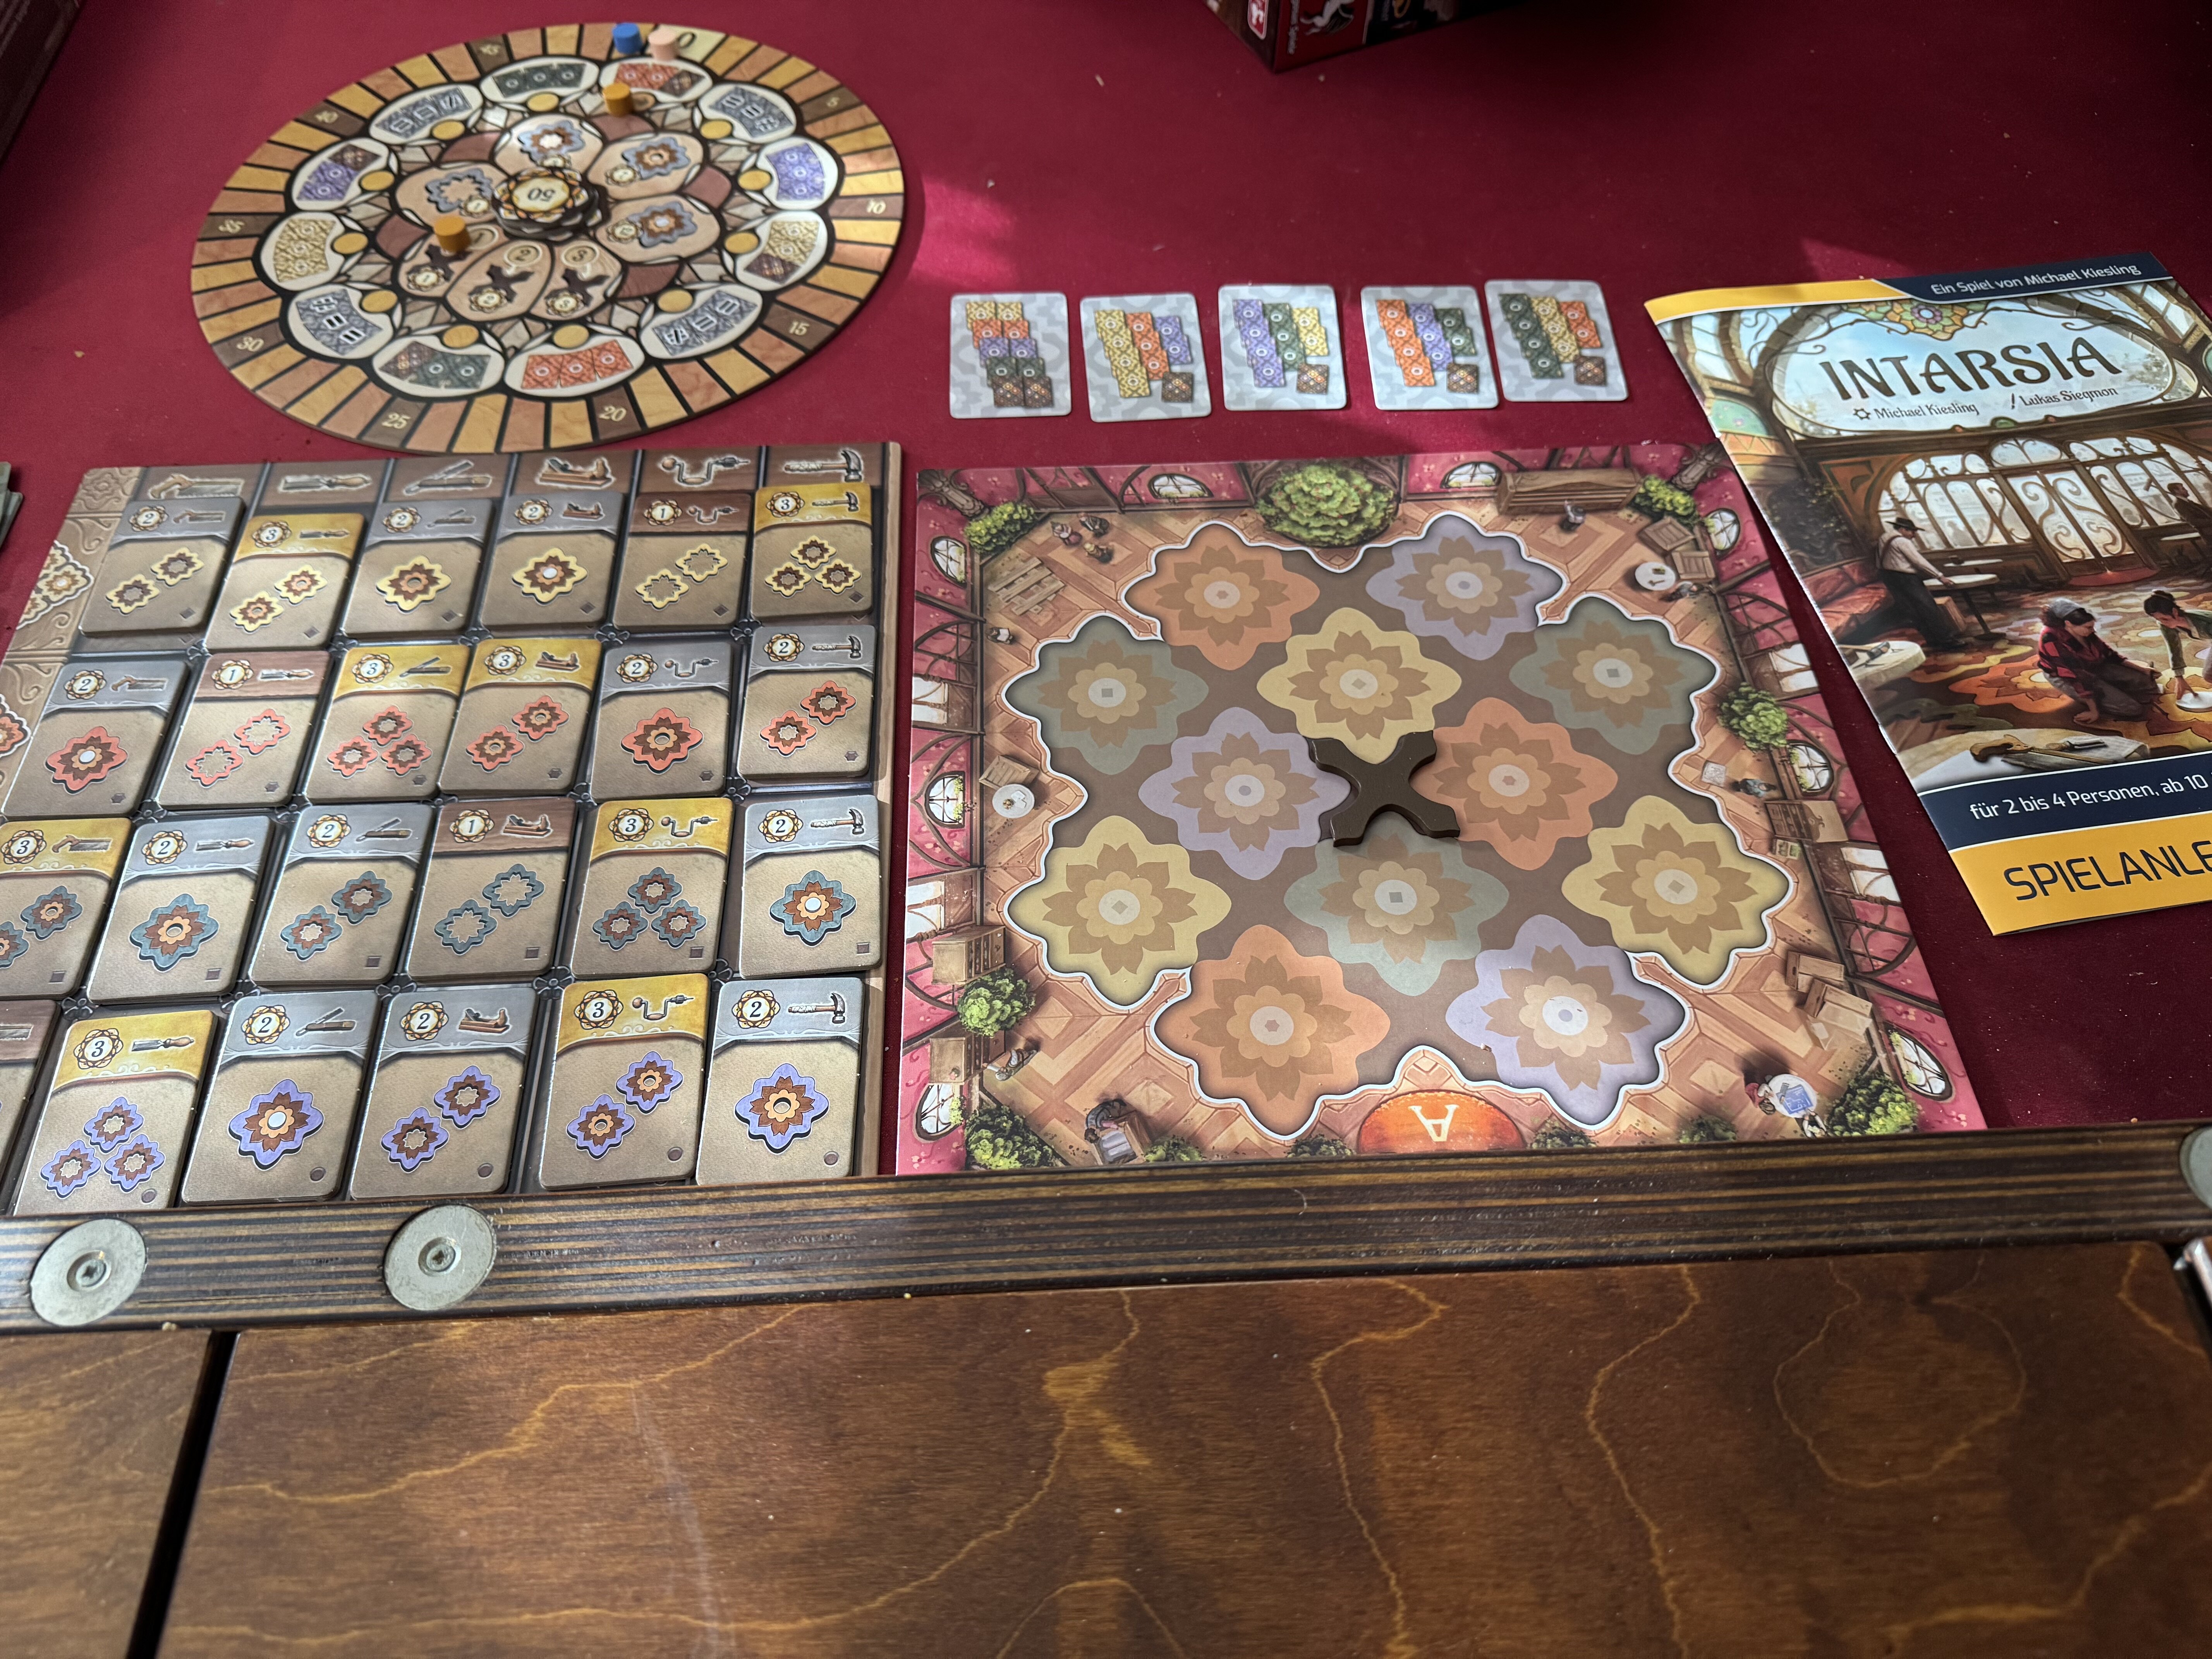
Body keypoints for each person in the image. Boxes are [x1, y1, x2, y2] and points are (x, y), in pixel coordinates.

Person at [2036, 599, 2162, 726]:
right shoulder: (2050, 639)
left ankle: (2110, 689)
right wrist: (2094, 711)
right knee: (2132, 709)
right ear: (2068, 624)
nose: (2094, 631)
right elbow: (2077, 677)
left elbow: (2109, 654)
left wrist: (2143, 670)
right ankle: (2102, 696)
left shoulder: (2084, 631)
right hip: (2067, 677)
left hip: (2093, 666)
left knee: (2147, 682)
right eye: (2089, 628)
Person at [1875, 517, 1967, 650]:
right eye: (1912, 532)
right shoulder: (1902, 541)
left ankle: (1932, 640)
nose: (1914, 535)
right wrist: (1940, 577)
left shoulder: (1884, 538)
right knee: (1929, 608)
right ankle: (1947, 640)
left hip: (1890, 578)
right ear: (1902, 530)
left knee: (1913, 611)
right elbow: (1919, 562)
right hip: (1907, 578)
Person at [2143, 589, 2212, 693]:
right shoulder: (2165, 625)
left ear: (2175, 612)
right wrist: (2179, 678)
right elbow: (2174, 649)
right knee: (2209, 675)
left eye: (2165, 619)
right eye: (2158, 619)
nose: (2163, 623)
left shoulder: (2206, 624)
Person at [2168, 483, 2212, 563]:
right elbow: (2194, 522)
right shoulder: (2179, 505)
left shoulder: (2188, 502)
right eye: (2183, 489)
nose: (2187, 490)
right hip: (2209, 533)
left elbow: (2207, 511)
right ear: (2176, 491)